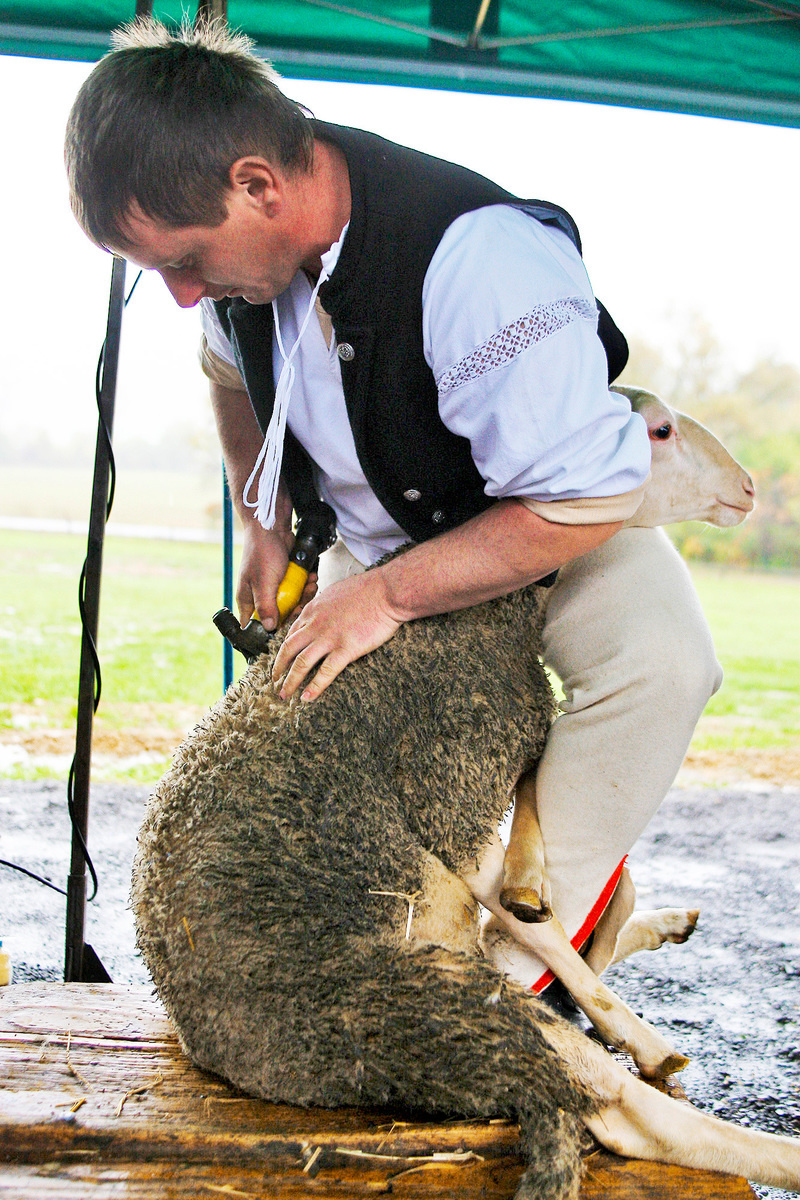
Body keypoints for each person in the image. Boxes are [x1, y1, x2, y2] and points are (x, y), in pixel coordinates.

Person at [65, 17, 722, 991]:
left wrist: (378, 600)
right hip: (373, 540)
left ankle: (509, 972)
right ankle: (379, 944)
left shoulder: (483, 265)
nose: (179, 291)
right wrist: (266, 518)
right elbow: (226, 375)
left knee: (661, 667)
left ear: (257, 183)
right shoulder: (233, 257)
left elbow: (583, 497)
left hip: (554, 520)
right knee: (331, 742)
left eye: (185, 261)